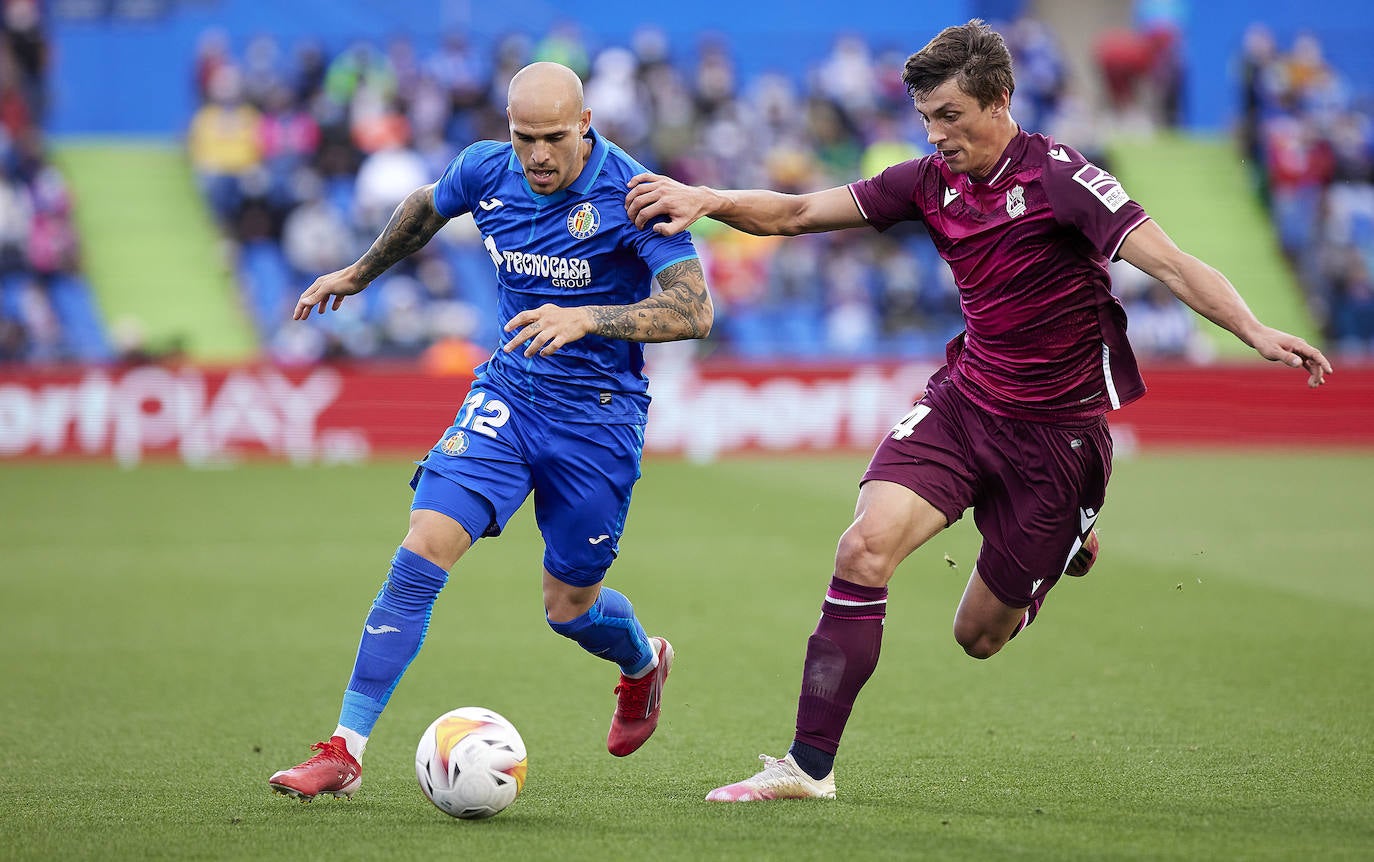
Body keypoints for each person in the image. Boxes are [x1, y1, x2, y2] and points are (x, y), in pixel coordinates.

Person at [624, 19, 1331, 802]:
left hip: (1056, 442)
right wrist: (709, 198)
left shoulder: (1066, 180)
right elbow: (794, 215)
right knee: (863, 551)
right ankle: (806, 768)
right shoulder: (926, 182)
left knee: (977, 638)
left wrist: (1254, 330)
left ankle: (1066, 544)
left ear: (1000, 101)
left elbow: (1168, 262)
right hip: (963, 405)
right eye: (926, 119)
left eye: (950, 116)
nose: (936, 134)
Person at [269, 61, 713, 801]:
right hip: (508, 395)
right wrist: (359, 272)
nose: (537, 155)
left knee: (568, 608)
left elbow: (694, 310)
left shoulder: (634, 195)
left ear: (587, 126)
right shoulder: (486, 168)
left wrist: (587, 318)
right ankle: (343, 749)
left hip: (598, 418)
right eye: (523, 137)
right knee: (422, 549)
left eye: (553, 138)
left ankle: (642, 664)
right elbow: (425, 205)